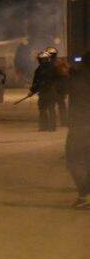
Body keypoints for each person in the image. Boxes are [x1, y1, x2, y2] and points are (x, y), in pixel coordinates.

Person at [66, 51, 90, 209]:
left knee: (73, 159)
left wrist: (67, 73)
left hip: (81, 125)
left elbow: (60, 90)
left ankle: (84, 195)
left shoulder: (79, 77)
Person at [30, 51, 59, 132]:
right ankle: (52, 127)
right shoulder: (53, 67)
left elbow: (36, 82)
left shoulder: (39, 69)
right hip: (51, 92)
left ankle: (44, 127)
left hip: (44, 92)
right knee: (51, 109)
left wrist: (33, 90)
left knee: (43, 110)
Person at [46, 46, 70, 127]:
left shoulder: (49, 64)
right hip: (61, 88)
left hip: (53, 88)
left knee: (51, 106)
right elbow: (66, 76)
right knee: (61, 105)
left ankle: (52, 123)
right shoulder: (61, 63)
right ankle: (64, 122)